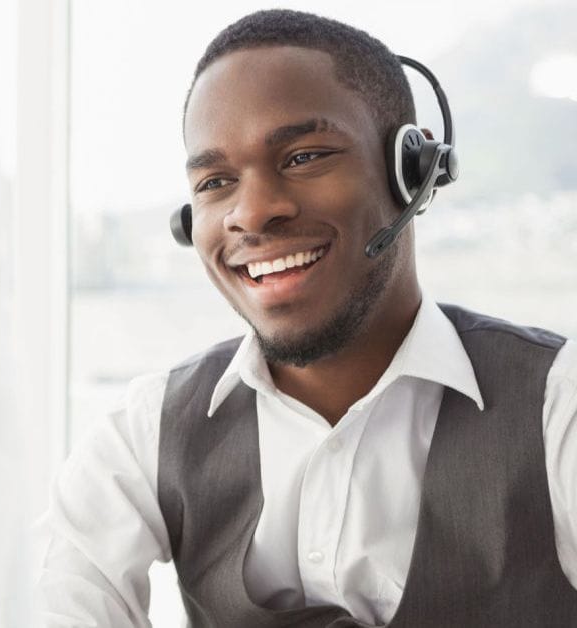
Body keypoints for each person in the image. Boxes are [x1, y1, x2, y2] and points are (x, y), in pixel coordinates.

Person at [34, 9, 577, 627]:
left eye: (304, 156)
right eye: (216, 181)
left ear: (413, 173)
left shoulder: (558, 407)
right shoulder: (144, 436)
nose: (254, 212)